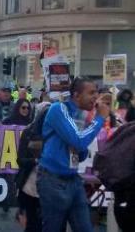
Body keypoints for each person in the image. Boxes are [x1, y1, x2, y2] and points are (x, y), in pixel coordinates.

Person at [37, 77, 110, 232]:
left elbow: (81, 154)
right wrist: (99, 119)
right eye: (91, 93)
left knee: (85, 228)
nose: (95, 97)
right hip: (53, 180)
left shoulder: (81, 115)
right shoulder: (59, 109)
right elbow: (78, 141)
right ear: (76, 95)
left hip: (73, 179)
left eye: (96, 93)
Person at [15, 103, 51, 232]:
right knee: (32, 225)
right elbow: (20, 160)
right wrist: (37, 160)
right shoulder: (28, 132)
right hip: (31, 186)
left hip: (52, 187)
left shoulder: (58, 133)